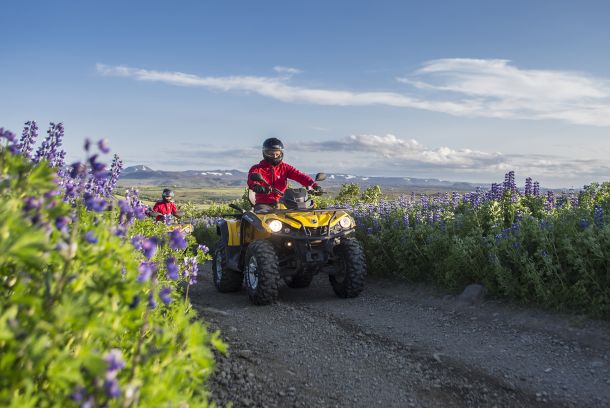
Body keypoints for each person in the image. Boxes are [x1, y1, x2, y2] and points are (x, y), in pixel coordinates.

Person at [248, 138, 323, 212]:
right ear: (265, 153)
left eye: (277, 154)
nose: (275, 156)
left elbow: (300, 176)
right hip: (264, 204)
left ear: (281, 153)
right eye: (271, 153)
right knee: (263, 219)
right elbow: (252, 181)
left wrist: (314, 185)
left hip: (284, 202)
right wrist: (257, 187)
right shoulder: (257, 168)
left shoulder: (285, 167)